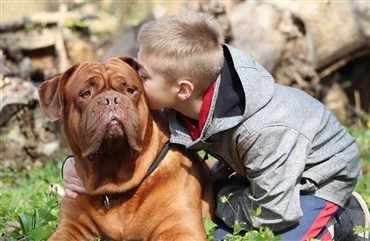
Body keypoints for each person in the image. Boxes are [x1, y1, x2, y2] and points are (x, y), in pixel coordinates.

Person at [61, 12, 370, 241]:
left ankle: (342, 218)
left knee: (275, 233)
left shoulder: (267, 130)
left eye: (142, 76)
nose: (134, 84)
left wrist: (214, 200)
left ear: (181, 88)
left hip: (314, 181)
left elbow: (277, 211)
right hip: (257, 176)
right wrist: (73, 165)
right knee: (221, 237)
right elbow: (114, 131)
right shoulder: (177, 101)